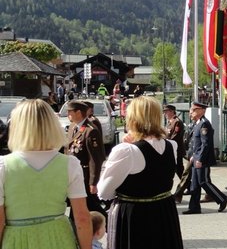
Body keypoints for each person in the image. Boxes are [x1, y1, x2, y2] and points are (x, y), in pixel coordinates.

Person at [0, 99, 91, 249]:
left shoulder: (3, 166)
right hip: (59, 238)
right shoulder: (70, 164)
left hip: (17, 239)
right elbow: (82, 217)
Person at [97, 96, 183, 249]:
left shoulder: (126, 150)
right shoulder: (171, 145)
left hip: (134, 216)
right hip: (164, 212)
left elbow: (104, 192)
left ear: (133, 119)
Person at [182, 102, 227, 214]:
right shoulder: (197, 124)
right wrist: (193, 156)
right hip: (196, 158)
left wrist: (200, 159)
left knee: (204, 182)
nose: (191, 113)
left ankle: (222, 199)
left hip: (201, 159)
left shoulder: (204, 124)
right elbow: (195, 144)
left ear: (201, 110)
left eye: (193, 110)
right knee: (195, 185)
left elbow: (205, 144)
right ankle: (194, 207)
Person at [66, 100, 107, 220]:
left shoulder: (90, 131)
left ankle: (108, 225)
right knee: (77, 206)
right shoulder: (73, 127)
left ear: (78, 112)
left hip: (84, 175)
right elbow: (68, 150)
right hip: (73, 174)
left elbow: (95, 159)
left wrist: (93, 182)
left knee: (91, 205)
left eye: (70, 112)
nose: (68, 114)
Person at [164, 105, 186, 178]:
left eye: (166, 112)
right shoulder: (169, 122)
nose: (165, 114)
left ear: (172, 111)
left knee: (179, 169)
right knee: (176, 169)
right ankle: (187, 185)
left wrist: (165, 143)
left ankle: (188, 185)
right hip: (171, 149)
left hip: (177, 150)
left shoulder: (177, 122)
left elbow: (175, 137)